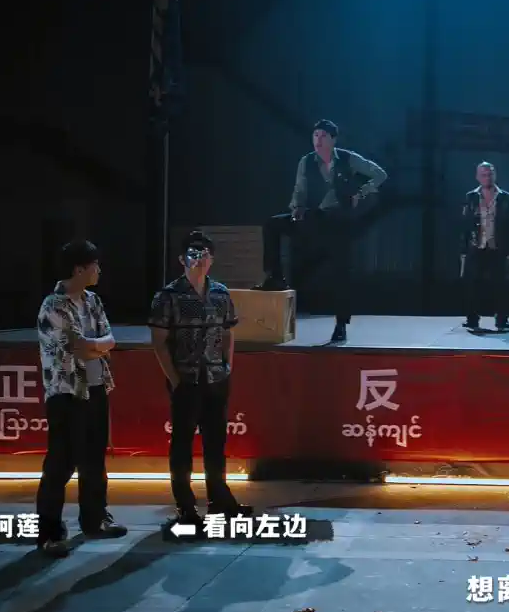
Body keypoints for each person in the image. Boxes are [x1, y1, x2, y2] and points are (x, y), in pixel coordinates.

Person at [149, 231, 252, 527]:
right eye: (194, 254)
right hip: (186, 378)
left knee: (216, 443)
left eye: (205, 254)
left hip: (216, 377)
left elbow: (228, 332)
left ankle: (220, 499)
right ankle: (185, 505)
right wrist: (175, 379)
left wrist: (227, 366)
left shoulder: (220, 293)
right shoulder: (168, 296)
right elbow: (158, 341)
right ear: (182, 259)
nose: (200, 259)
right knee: (182, 444)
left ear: (212, 259)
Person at [34, 239, 127, 557]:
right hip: (67, 393)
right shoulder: (54, 305)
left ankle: (95, 518)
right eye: (94, 265)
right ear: (79, 269)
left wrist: (97, 344)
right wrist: (98, 345)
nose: (99, 270)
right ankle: (49, 532)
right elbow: (80, 348)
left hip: (97, 387)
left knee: (94, 460)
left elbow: (109, 339)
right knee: (61, 463)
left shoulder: (93, 300)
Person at [258, 119, 388, 343]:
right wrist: (296, 208)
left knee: (341, 274)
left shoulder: (347, 158)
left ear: (333, 140)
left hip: (338, 223)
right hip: (314, 217)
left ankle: (341, 325)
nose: (318, 140)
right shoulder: (307, 161)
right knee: (273, 224)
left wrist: (361, 193)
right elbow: (300, 189)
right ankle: (275, 276)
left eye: (323, 136)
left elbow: (380, 174)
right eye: (315, 135)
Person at [461, 161, 509, 332]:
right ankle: (472, 319)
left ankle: (502, 320)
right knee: (473, 284)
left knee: (500, 284)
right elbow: (465, 224)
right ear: (478, 177)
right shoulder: (471, 196)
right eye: (484, 175)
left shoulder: (504, 197)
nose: (487, 177)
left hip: (497, 245)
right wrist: (464, 249)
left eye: (490, 174)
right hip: (476, 244)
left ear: (495, 175)